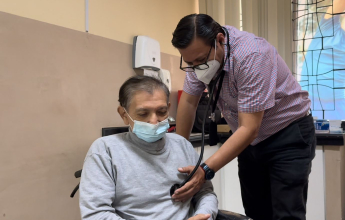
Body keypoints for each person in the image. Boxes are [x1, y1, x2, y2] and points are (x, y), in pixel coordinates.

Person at [171, 14, 316, 220]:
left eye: (202, 60)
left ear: (220, 40)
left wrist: (204, 170)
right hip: (250, 141)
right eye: (190, 62)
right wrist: (179, 151)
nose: (197, 68)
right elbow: (188, 102)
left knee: (286, 214)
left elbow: (249, 128)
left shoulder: (252, 56)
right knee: (256, 212)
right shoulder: (198, 58)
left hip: (287, 134)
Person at [79, 76, 218, 220]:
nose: (154, 121)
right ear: (124, 115)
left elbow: (205, 193)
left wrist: (203, 215)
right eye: (143, 114)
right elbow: (96, 214)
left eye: (161, 111)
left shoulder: (182, 145)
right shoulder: (105, 151)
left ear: (169, 109)